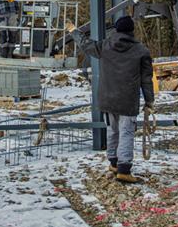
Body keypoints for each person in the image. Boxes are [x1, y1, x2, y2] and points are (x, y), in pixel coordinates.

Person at [66, 15, 154, 183]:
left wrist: (73, 31)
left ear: (116, 29)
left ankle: (113, 162)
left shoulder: (106, 46)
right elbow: (146, 79)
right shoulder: (141, 50)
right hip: (127, 99)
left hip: (107, 98)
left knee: (113, 130)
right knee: (127, 132)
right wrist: (149, 102)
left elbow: (86, 45)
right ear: (131, 31)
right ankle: (124, 169)